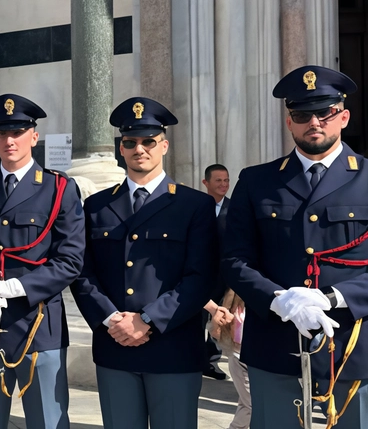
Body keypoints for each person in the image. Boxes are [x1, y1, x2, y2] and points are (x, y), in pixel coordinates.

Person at [222, 65, 368, 427]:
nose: (314, 121)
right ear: (290, 122)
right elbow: (234, 258)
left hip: (354, 343)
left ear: (344, 117)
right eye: (302, 114)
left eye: (325, 112)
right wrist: (278, 299)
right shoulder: (256, 181)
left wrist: (332, 298)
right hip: (275, 342)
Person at [69, 97, 218, 428]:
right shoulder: (95, 206)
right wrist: (111, 320)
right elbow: (82, 273)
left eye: (149, 141)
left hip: (173, 348)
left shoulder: (195, 205)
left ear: (164, 145)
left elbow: (201, 277)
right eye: (130, 142)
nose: (140, 149)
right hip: (115, 345)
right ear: (120, 149)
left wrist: (148, 319)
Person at [0, 94, 84, 429]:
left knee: (47, 422)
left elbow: (70, 259)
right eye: (1, 133)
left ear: (34, 137)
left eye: (18, 132)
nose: (9, 141)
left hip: (38, 327)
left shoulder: (59, 188)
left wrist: (16, 287)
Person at [201, 163, 231, 381]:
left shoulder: (236, 208)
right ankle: (194, 359)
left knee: (221, 319)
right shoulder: (196, 207)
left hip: (224, 276)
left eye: (226, 180)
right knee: (196, 320)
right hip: (200, 275)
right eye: (218, 180)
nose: (223, 184)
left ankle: (212, 360)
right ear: (206, 183)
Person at [208, 288, 251, 429]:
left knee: (245, 402)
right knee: (250, 404)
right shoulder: (235, 304)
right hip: (238, 358)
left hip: (252, 359)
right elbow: (217, 331)